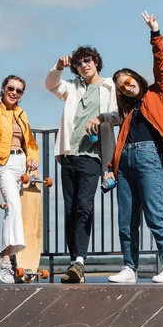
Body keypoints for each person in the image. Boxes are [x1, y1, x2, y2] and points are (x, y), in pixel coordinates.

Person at [89, 12, 163, 284]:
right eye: (122, 87)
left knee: (155, 212)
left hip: (148, 155)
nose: (127, 88)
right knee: (127, 218)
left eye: (129, 82)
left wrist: (155, 34)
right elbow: (119, 142)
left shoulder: (157, 94)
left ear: (137, 80)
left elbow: (161, 67)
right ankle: (130, 267)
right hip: (125, 161)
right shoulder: (127, 113)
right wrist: (110, 168)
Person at [45, 46, 119, 283]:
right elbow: (51, 85)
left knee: (83, 206)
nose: (84, 65)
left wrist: (101, 118)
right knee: (70, 208)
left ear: (96, 61)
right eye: (78, 64)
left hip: (93, 155)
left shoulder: (109, 86)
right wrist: (58, 67)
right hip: (68, 152)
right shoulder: (72, 86)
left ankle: (80, 260)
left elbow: (119, 113)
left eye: (87, 60)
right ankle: (73, 262)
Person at [0, 75, 39, 284]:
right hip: (5, 163)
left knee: (16, 210)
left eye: (19, 91)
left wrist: (33, 158)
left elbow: (31, 142)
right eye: (11, 88)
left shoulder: (21, 113)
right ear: (3, 88)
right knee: (14, 208)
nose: (14, 93)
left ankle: (13, 260)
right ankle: (4, 259)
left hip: (22, 164)